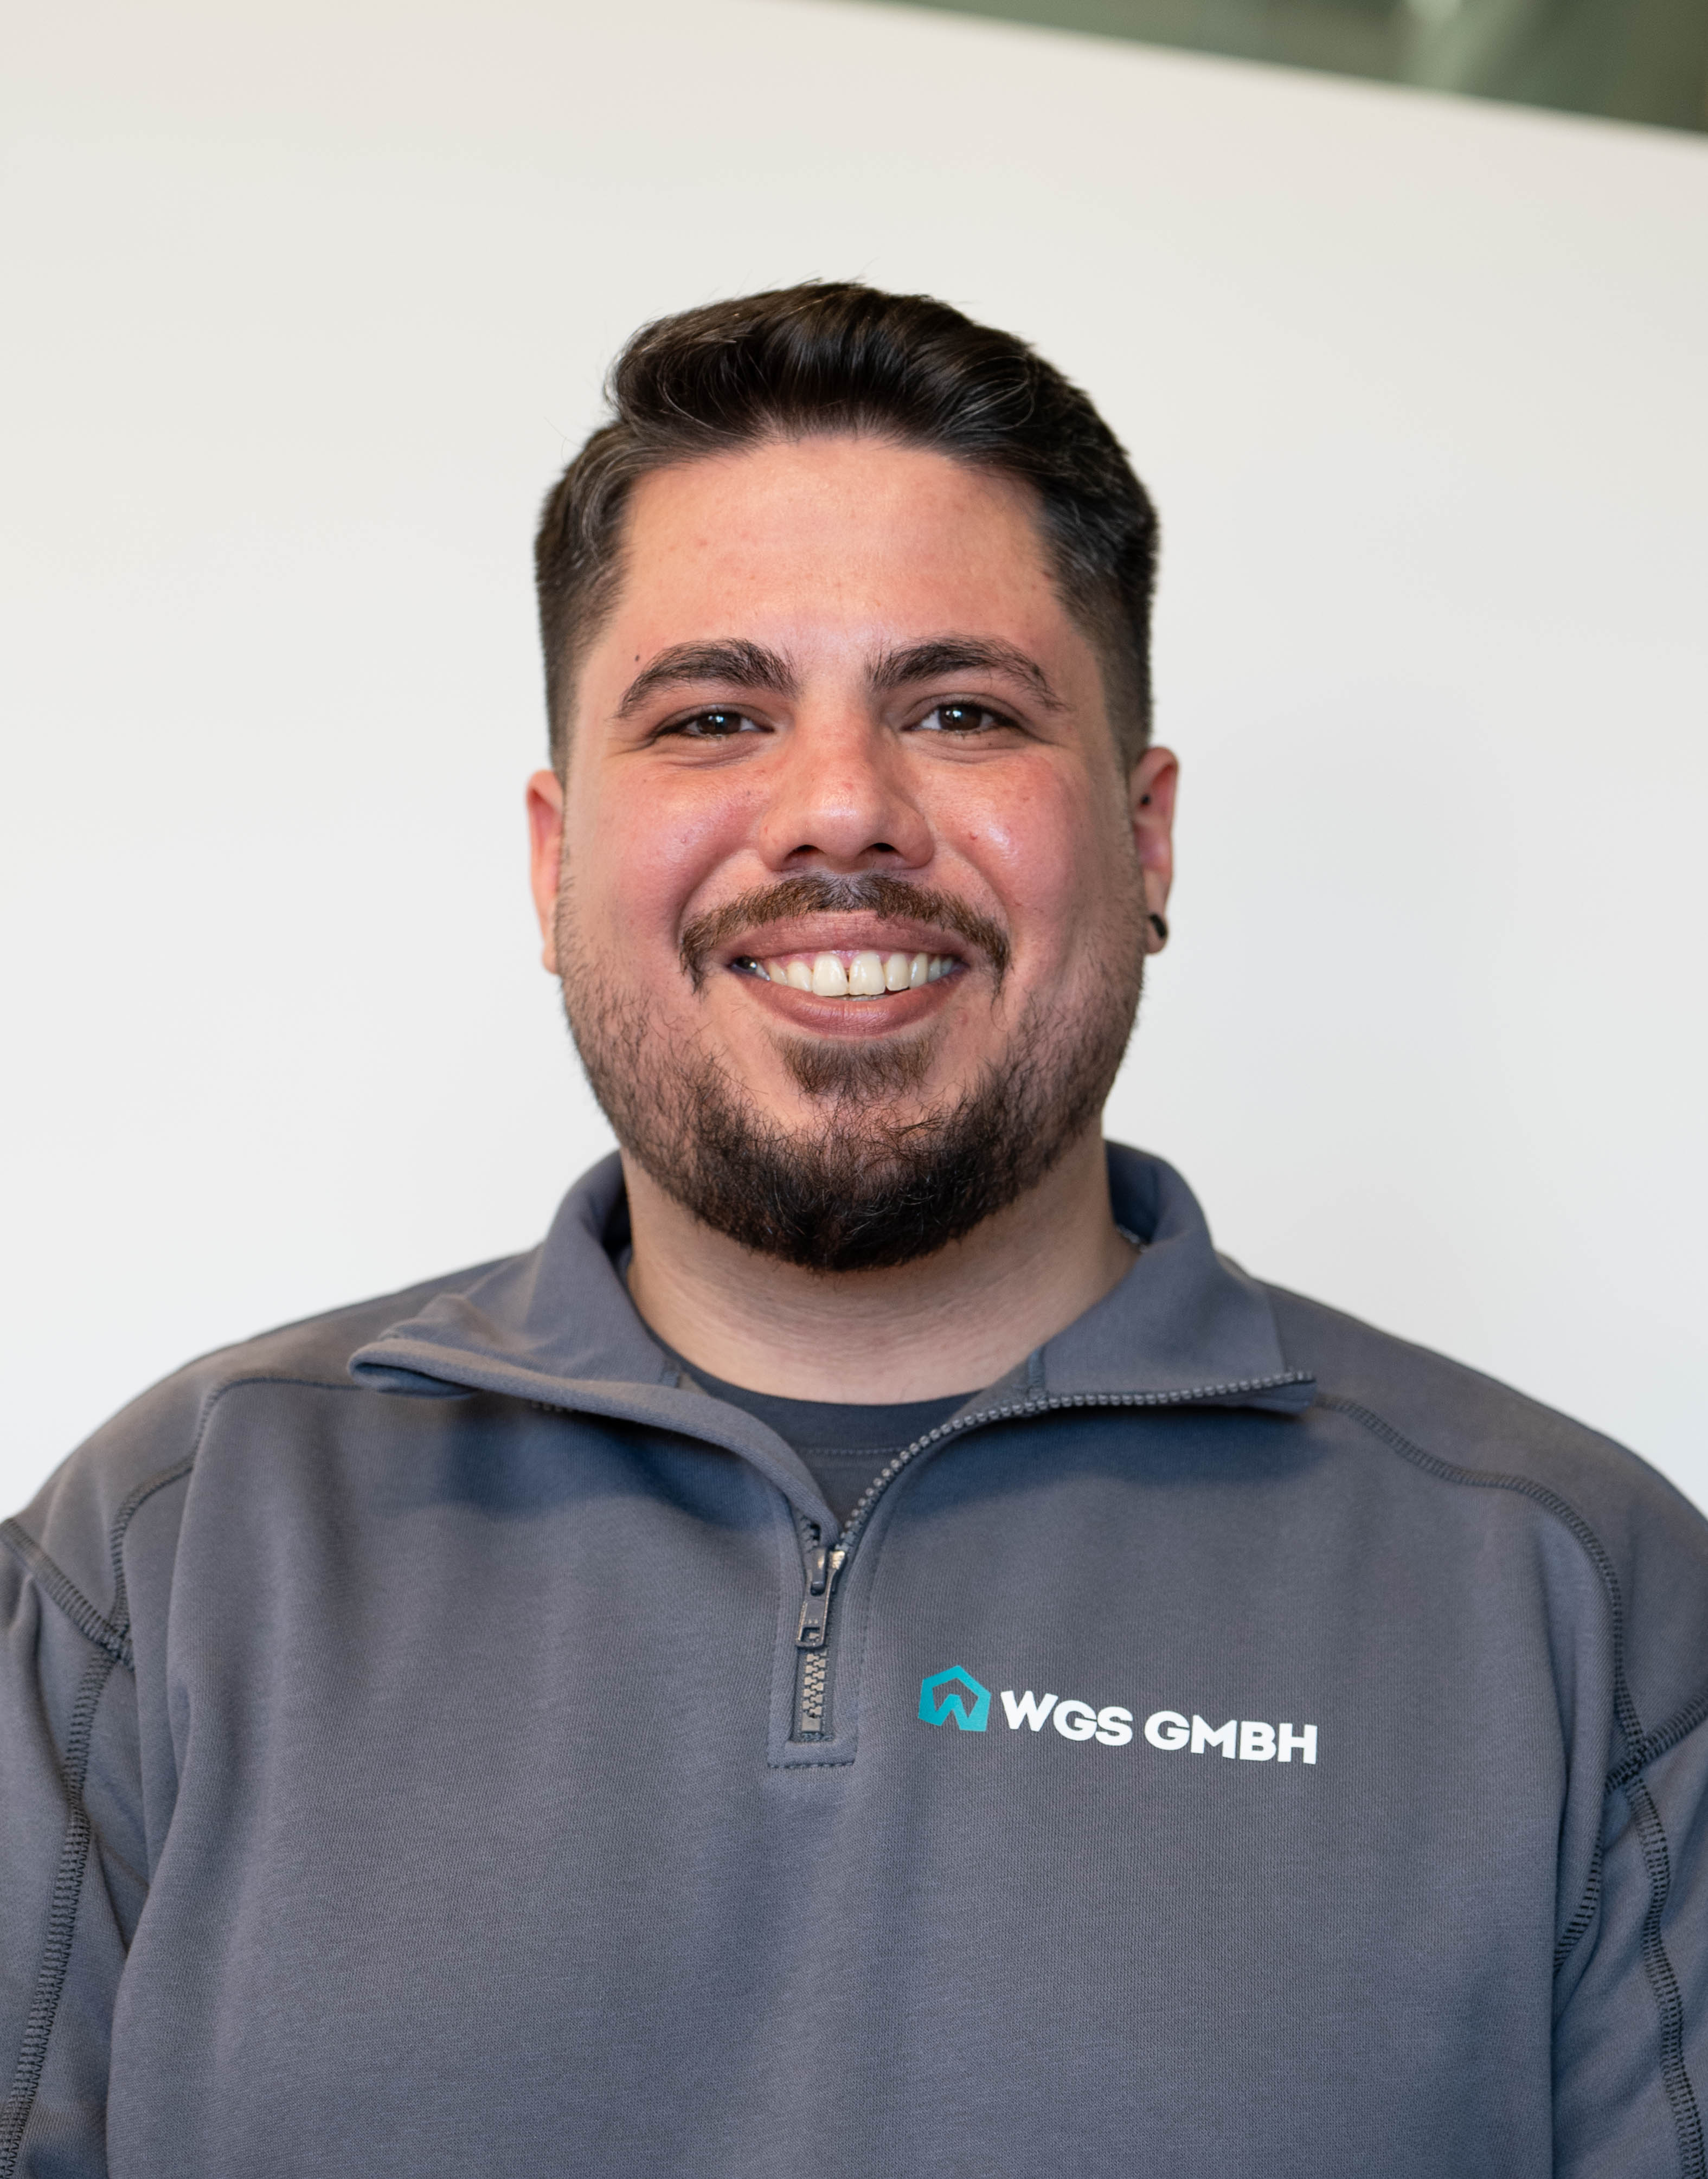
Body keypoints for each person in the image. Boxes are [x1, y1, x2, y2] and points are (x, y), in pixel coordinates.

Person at [2, 281, 1704, 2179]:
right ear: (556, 861)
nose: (838, 811)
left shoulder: (1583, 1601)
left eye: (961, 711)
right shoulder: (165, 1558)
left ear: (1145, 838)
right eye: (714, 716)